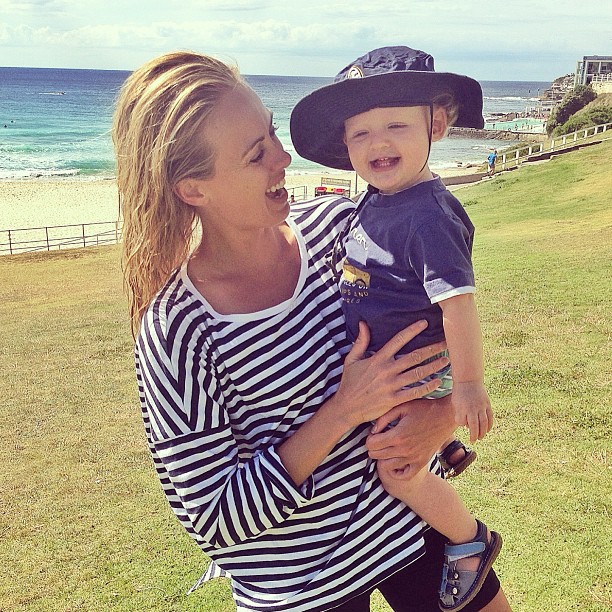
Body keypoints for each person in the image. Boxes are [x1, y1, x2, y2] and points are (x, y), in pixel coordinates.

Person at [113, 51, 511, 612]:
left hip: (410, 527)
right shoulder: (177, 328)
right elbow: (216, 519)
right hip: (301, 587)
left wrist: (443, 414)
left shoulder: (340, 230)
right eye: (256, 154)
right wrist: (343, 411)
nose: (283, 158)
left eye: (272, 133)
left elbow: (444, 322)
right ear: (193, 189)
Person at [291, 46, 505, 611]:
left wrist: (467, 388)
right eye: (360, 133)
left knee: (398, 470)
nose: (377, 143)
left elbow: (458, 304)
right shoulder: (377, 201)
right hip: (392, 366)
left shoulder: (428, 214)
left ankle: (469, 540)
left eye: (395, 126)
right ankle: (446, 450)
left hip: (417, 369)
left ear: (436, 126)